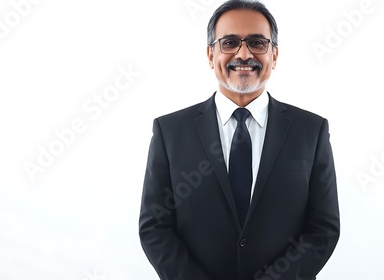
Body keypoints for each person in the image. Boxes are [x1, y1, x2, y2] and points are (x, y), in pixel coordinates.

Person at [139, 1, 340, 279]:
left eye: (257, 42)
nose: (244, 54)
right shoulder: (170, 131)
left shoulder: (311, 130)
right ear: (211, 55)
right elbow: (154, 226)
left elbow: (323, 228)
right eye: (230, 42)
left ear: (275, 55)